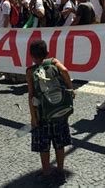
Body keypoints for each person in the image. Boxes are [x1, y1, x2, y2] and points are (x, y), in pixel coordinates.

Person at [26, 40, 74, 184]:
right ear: (46, 52)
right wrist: (70, 89)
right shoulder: (53, 62)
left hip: (42, 114)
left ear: (31, 56)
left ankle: (46, 172)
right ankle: (60, 171)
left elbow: (31, 95)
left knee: (44, 146)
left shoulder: (30, 71)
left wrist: (33, 117)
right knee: (60, 143)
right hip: (59, 111)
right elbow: (65, 71)